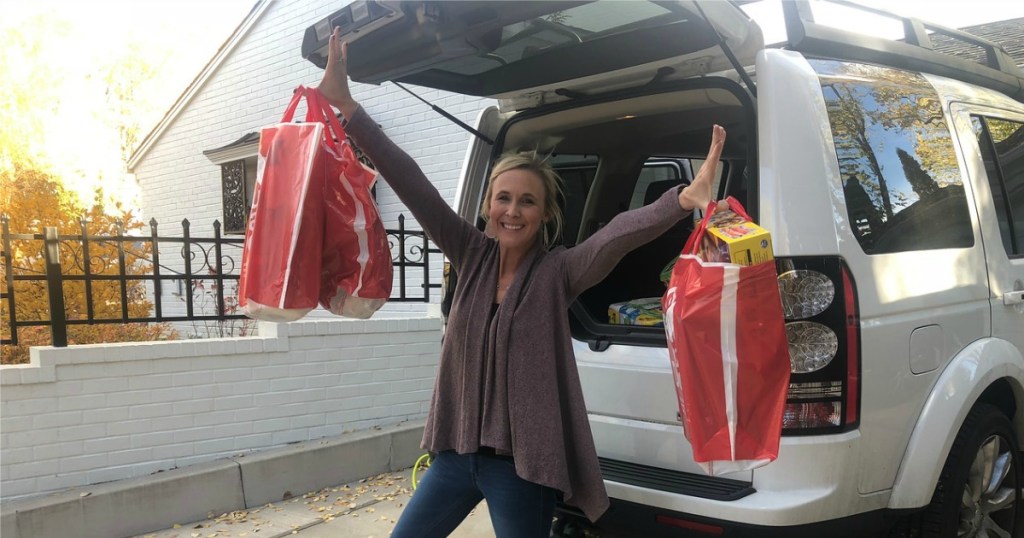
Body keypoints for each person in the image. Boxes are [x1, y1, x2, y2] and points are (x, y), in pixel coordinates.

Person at [318, 27, 726, 538]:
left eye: (527, 201)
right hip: (455, 456)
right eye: (504, 198)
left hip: (521, 469)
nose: (513, 210)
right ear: (488, 205)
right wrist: (350, 110)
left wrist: (682, 201)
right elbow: (414, 183)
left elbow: (615, 237)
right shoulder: (470, 253)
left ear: (545, 213)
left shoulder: (558, 272)